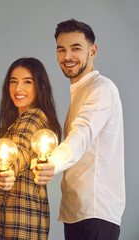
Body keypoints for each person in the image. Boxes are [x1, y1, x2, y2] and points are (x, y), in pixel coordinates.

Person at [32, 19, 125, 240]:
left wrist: (52, 162)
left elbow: (82, 135)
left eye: (76, 48)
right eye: (61, 50)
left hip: (94, 214)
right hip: (77, 214)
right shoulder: (80, 92)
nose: (67, 56)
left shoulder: (101, 89)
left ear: (93, 51)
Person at [0, 58, 62, 240]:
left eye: (27, 82)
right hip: (10, 218)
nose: (18, 89)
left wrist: (8, 169)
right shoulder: (12, 124)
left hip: (21, 221)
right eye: (13, 81)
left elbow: (21, 148)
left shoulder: (34, 116)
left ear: (40, 86)